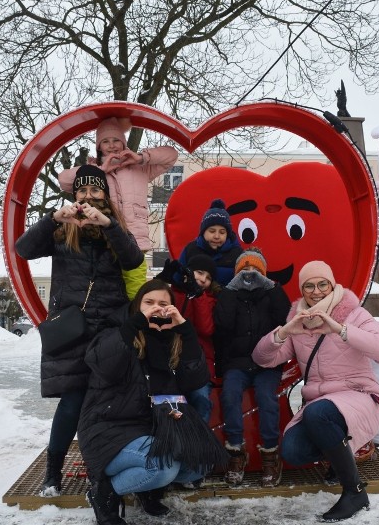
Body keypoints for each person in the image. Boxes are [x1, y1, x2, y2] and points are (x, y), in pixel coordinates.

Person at [15, 164, 144, 497]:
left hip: (109, 329)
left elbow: (132, 260)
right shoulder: (61, 232)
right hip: (73, 329)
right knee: (72, 402)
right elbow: (24, 249)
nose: (89, 197)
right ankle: (52, 474)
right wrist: (53, 219)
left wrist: (109, 225)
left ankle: (101, 467)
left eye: (95, 190)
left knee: (107, 401)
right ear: (74, 196)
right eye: (83, 191)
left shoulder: (115, 229)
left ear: (105, 194)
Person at [253, 260, 379, 521]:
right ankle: (339, 455)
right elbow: (262, 358)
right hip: (322, 406)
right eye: (309, 286)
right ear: (302, 290)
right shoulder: (299, 322)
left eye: (322, 284)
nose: (316, 291)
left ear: (332, 285)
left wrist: (340, 330)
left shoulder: (354, 315)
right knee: (293, 451)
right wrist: (284, 331)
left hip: (360, 395)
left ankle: (354, 492)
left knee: (317, 413)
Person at [79, 279, 228, 525]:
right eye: (149, 303)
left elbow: (194, 380)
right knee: (163, 465)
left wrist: (186, 331)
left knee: (199, 464)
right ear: (137, 305)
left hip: (157, 427)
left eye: (163, 304)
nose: (155, 308)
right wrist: (135, 324)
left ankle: (146, 487)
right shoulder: (116, 330)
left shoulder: (173, 339)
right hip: (111, 430)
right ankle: (104, 491)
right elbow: (104, 365)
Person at [58, 117, 179, 298]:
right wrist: (100, 170)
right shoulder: (93, 171)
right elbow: (64, 180)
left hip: (135, 239)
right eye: (105, 141)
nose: (112, 145)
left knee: (136, 288)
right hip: (106, 240)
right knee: (109, 288)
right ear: (99, 147)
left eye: (116, 140)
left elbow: (171, 155)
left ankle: (135, 323)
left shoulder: (140, 169)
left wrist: (141, 158)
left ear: (123, 142)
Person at [213, 247, 291, 487]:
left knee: (267, 398)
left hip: (266, 362)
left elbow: (285, 318)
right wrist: (229, 290)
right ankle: (236, 452)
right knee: (230, 395)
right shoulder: (229, 295)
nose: (250, 274)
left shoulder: (273, 294)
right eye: (245, 270)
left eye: (255, 270)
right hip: (237, 361)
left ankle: (270, 454)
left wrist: (271, 287)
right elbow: (223, 325)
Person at [158, 253, 222, 423]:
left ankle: (200, 442)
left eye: (208, 277)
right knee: (171, 405)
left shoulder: (209, 300)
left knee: (201, 399)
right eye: (199, 272)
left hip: (199, 364)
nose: (202, 279)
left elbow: (206, 328)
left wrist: (198, 296)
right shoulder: (174, 292)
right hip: (172, 359)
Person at [178, 198, 243, 287]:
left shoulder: (237, 254)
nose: (216, 236)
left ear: (227, 234)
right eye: (212, 231)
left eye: (222, 232)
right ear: (203, 231)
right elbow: (178, 280)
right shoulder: (190, 249)